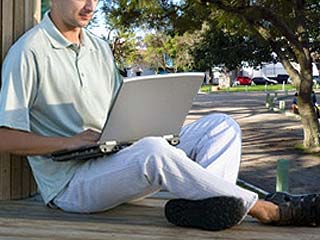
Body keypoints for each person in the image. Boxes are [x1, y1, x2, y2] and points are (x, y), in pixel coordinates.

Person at [0, 0, 319, 231]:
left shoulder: (98, 47)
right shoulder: (29, 52)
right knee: (153, 150)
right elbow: (5, 136)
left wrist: (144, 121)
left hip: (114, 159)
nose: (91, 4)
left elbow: (120, 106)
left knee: (221, 126)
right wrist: (67, 142)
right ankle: (266, 208)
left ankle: (210, 207)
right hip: (71, 184)